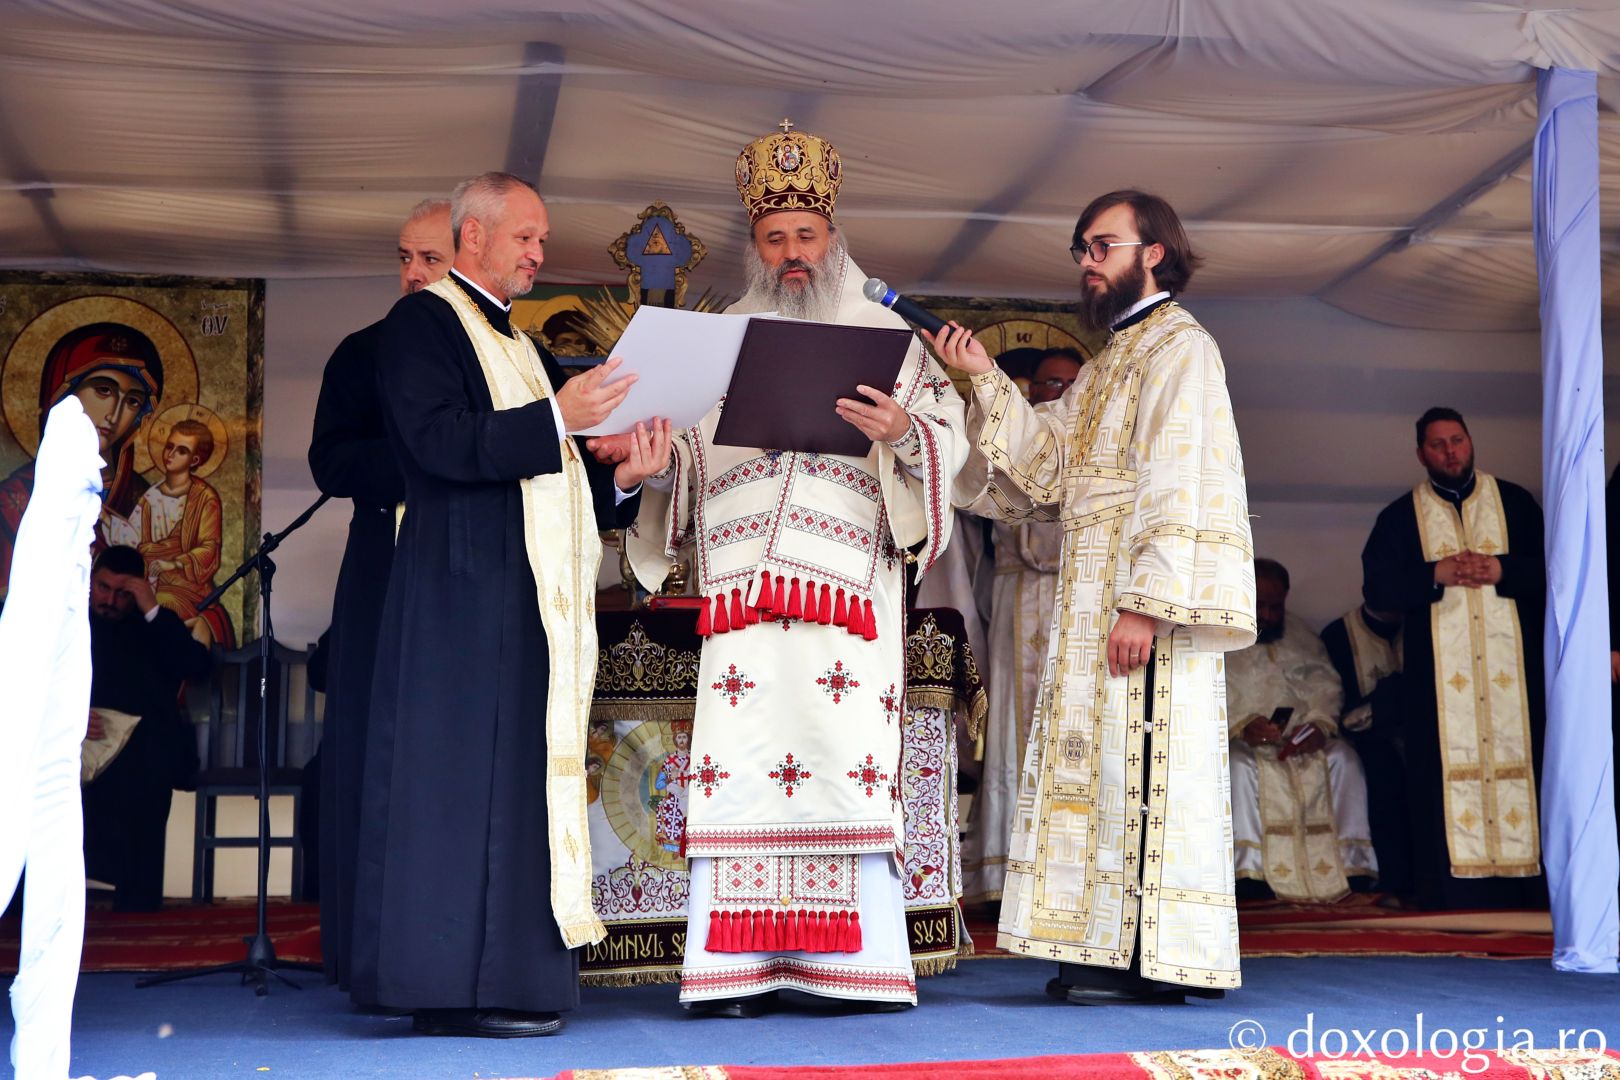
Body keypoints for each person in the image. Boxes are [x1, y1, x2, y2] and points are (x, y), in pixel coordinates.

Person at [615, 122, 966, 1016]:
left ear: (832, 236)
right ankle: (736, 971)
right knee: (740, 767)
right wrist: (660, 462)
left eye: (806, 235)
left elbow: (948, 444)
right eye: (775, 239)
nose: (792, 252)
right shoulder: (719, 335)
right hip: (742, 592)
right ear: (757, 247)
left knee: (840, 762)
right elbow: (692, 450)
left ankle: (849, 968)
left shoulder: (889, 334)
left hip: (844, 587)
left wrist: (904, 433)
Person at [350, 171, 667, 1039]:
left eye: (541, 237)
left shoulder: (519, 344)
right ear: (473, 237)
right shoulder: (424, 324)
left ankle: (512, 979)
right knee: (461, 788)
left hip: (519, 598)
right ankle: (453, 985)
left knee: (517, 784)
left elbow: (547, 481)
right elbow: (437, 443)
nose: (539, 252)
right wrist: (557, 418)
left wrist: (621, 487)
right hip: (459, 595)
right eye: (525, 236)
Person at [931, 189, 1255, 1004]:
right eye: (1080, 247)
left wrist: (1146, 602)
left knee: (1141, 768)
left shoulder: (1183, 348)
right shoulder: (1111, 357)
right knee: (1098, 772)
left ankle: (1153, 954)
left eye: (1102, 244)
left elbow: (1182, 482)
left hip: (1138, 602)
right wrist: (983, 383)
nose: (1087, 260)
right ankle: (1099, 942)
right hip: (1088, 596)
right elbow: (1046, 468)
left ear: (1154, 252)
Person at [308, 197, 452, 990]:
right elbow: (332, 461)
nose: (411, 273)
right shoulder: (362, 353)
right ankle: (366, 957)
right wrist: (437, 462)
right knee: (372, 746)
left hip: (473, 572)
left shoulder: (497, 352)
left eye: (428, 259)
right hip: (382, 565)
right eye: (404, 257)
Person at [1361, 407, 1545, 910]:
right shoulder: (1399, 517)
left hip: (1517, 685)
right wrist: (1433, 573)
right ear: (1421, 453)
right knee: (1440, 778)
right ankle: (1451, 894)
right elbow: (1376, 588)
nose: (1450, 452)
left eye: (1458, 441)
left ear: (1470, 442)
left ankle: (1528, 891)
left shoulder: (1516, 503)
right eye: (1438, 445)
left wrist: (1501, 569)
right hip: (1438, 692)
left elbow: (1555, 571)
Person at [0, 396, 103, 1080]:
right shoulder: (41, 571)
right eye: (87, 483)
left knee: (57, 835)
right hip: (24, 740)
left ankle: (42, 1059)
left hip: (49, 766)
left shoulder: (68, 574)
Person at [962, 347, 1082, 904]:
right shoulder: (1014, 436)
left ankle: (1065, 878)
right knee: (1011, 728)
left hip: (1073, 599)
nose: (1054, 392)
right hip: (1012, 596)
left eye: (1067, 382)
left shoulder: (1094, 438)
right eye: (1046, 383)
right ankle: (1003, 876)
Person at [1227, 558, 1376, 902]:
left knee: (1344, 760)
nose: (1265, 614)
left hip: (1300, 743)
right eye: (1258, 605)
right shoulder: (1222, 633)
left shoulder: (1301, 634)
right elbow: (1210, 692)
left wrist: (1320, 726)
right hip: (1245, 744)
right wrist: (1241, 726)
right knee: (1237, 768)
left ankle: (1353, 866)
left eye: (1274, 606)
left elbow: (1325, 684)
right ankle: (1249, 872)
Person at [82, 545, 212, 912]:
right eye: (103, 588)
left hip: (140, 757)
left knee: (149, 772)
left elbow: (196, 667)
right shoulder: (69, 621)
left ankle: (137, 914)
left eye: (123, 593)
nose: (109, 600)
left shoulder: (155, 626)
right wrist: (70, 716)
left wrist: (152, 609)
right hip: (74, 748)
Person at [0, 323, 162, 597]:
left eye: (132, 401)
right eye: (103, 390)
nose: (114, 414)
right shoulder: (13, 499)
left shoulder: (146, 499)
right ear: (62, 394)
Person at [1320, 604, 1414, 897]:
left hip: (1418, 734)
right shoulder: (1338, 635)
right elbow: (1337, 705)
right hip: (1366, 739)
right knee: (1380, 773)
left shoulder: (1421, 623)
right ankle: (1389, 878)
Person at [131, 418, 233, 648]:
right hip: (151, 579)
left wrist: (174, 563)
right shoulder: (150, 498)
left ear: (194, 460)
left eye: (182, 451)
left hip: (186, 586)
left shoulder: (204, 498)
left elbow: (209, 547)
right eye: (169, 446)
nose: (171, 454)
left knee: (163, 606)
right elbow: (138, 542)